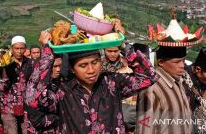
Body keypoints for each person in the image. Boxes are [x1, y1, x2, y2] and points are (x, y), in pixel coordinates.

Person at [26, 20, 158, 133]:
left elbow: (148, 77)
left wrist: (122, 45)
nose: (91, 70)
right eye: (83, 66)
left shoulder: (111, 82)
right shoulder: (62, 91)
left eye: (95, 63)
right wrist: (48, 54)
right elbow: (32, 98)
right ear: (72, 69)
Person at [136, 46, 192, 134]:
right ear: (161, 62)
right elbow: (145, 129)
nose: (182, 66)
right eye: (177, 62)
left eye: (183, 61)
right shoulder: (151, 88)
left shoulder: (178, 82)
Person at [0, 35, 34, 134]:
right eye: (16, 48)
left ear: (25, 48)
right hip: (8, 108)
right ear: (12, 49)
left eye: (22, 48)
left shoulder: (31, 63)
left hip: (26, 107)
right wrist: (4, 68)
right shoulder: (4, 65)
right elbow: (2, 87)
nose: (19, 51)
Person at [25, 55, 63, 134]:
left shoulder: (59, 82)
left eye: (60, 66)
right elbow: (36, 119)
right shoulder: (34, 87)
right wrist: (59, 118)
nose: (58, 69)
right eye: (54, 66)